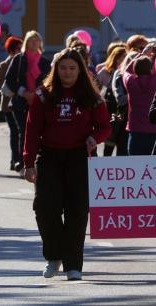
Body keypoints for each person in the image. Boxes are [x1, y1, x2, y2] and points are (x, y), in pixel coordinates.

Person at [22, 48, 112, 281]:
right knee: (44, 208)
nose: (67, 72)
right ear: (56, 69)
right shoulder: (44, 94)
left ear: (80, 70)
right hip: (50, 156)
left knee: (77, 211)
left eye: (72, 68)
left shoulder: (92, 96)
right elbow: (32, 129)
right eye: (63, 67)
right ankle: (54, 257)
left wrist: (96, 138)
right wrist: (28, 161)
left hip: (79, 158)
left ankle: (73, 264)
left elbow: (105, 126)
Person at [3, 31, 51, 172]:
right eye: (31, 40)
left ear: (40, 43)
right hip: (20, 102)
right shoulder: (19, 59)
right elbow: (9, 80)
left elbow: (49, 82)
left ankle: (37, 160)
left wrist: (36, 94)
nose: (34, 43)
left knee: (38, 132)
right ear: (26, 43)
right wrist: (24, 92)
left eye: (36, 40)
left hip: (38, 102)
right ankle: (22, 162)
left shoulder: (44, 62)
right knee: (23, 131)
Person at [0, 36, 23, 171]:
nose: (20, 51)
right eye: (18, 49)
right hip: (8, 104)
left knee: (21, 132)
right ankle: (15, 159)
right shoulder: (4, 64)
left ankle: (16, 159)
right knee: (15, 132)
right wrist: (13, 88)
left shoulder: (24, 63)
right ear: (11, 50)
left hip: (22, 103)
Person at [124, 53, 156, 155]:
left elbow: (126, 71)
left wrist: (140, 54)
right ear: (150, 68)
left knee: (136, 165)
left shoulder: (130, 82)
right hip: (154, 130)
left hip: (136, 131)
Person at [96, 46, 127, 156]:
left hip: (122, 109)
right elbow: (96, 90)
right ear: (117, 58)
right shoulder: (105, 72)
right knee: (109, 142)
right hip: (110, 109)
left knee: (121, 142)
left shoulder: (126, 72)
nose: (125, 58)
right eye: (123, 56)